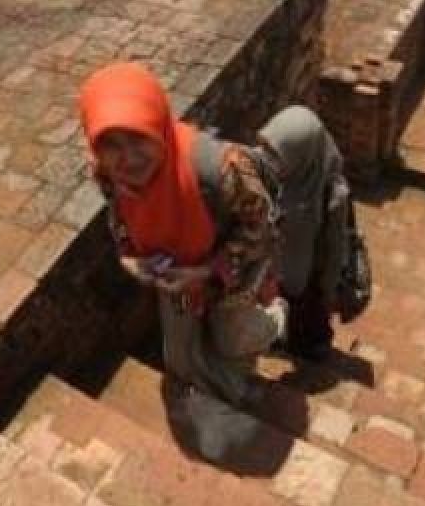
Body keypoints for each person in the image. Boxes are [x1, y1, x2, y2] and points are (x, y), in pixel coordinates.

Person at [78, 62, 285, 413]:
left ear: (158, 126)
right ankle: (216, 389)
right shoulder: (106, 172)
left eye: (138, 137)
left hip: (228, 272)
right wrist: (129, 258)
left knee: (232, 338)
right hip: (175, 279)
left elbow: (262, 228)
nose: (127, 159)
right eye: (111, 144)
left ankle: (276, 320)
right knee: (179, 350)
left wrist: (208, 273)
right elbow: (120, 219)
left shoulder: (221, 167)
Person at [256, 106, 351, 361]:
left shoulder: (331, 195)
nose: (265, 158)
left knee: (308, 326)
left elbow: (334, 249)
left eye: (274, 154)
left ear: (301, 155)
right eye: (265, 147)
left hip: (309, 281)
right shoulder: (278, 174)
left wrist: (328, 294)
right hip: (277, 271)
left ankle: (311, 352)